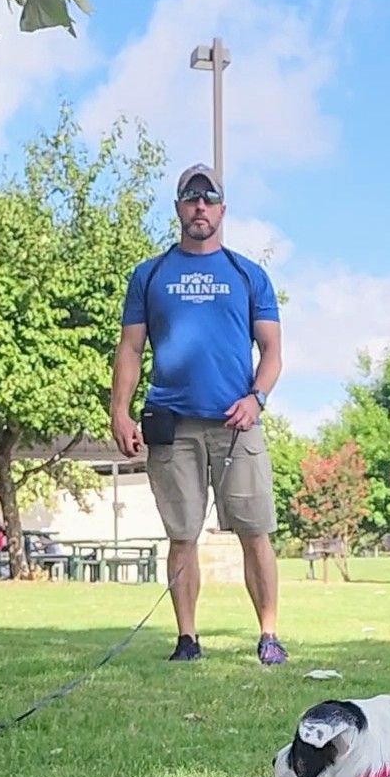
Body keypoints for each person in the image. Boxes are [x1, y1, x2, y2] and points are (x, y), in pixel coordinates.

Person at [110, 164, 287, 665]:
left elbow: (272, 351)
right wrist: (119, 412)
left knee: (256, 531)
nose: (200, 208)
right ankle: (187, 639)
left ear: (222, 209)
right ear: (178, 209)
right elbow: (130, 348)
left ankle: (269, 636)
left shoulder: (248, 274)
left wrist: (257, 398)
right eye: (191, 199)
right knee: (182, 534)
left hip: (237, 427)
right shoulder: (150, 275)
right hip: (172, 424)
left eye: (209, 200)